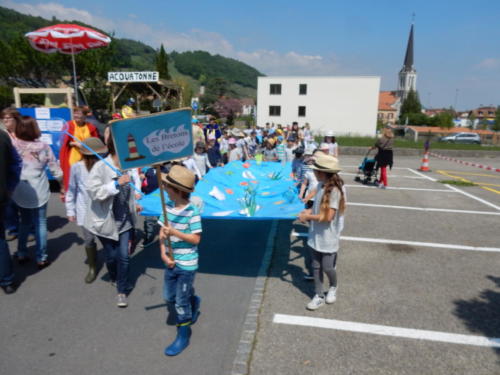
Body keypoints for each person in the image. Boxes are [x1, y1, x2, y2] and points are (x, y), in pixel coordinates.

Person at [84, 135, 141, 308]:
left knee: (124, 256)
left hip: (125, 221)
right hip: (105, 221)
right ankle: (115, 276)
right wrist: (115, 184)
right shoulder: (100, 167)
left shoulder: (128, 166)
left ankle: (121, 291)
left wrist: (136, 201)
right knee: (111, 256)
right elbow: (93, 192)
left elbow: (134, 186)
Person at [158, 165, 202, 356]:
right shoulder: (167, 208)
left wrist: (175, 232)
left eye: (167, 186)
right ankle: (194, 300)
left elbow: (195, 239)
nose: (165, 189)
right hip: (171, 262)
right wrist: (163, 253)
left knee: (180, 304)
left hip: (187, 265)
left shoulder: (192, 212)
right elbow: (161, 233)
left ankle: (183, 337)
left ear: (177, 191)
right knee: (169, 296)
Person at [12, 116, 63, 269]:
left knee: (24, 222)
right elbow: (55, 169)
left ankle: (21, 252)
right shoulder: (44, 146)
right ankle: (41, 257)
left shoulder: (13, 145)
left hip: (20, 188)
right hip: (39, 188)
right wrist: (62, 185)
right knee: (40, 222)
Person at [298, 154, 346, 310]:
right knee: (316, 266)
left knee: (328, 267)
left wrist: (308, 216)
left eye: (316, 171)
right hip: (315, 235)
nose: (314, 173)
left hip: (328, 237)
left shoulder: (335, 191)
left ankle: (333, 286)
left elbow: (329, 217)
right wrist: (307, 212)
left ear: (324, 173)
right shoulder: (320, 186)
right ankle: (318, 295)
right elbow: (317, 207)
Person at [65, 137, 108, 283]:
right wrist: (70, 210)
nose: (101, 156)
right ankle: (92, 267)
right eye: (98, 155)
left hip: (102, 209)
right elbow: (71, 189)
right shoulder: (77, 167)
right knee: (89, 240)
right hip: (84, 210)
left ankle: (111, 264)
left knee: (107, 238)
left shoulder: (105, 166)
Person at [59, 106, 100, 196]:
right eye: (75, 113)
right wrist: (74, 144)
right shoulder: (69, 125)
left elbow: (96, 143)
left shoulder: (91, 127)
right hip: (73, 158)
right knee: (72, 184)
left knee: (86, 185)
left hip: (87, 160)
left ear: (85, 116)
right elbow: (64, 141)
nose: (76, 115)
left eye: (79, 114)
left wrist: (83, 145)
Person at [0, 129, 22, 293]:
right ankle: (6, 280)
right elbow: (16, 163)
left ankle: (7, 278)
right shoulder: (2, 135)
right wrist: (9, 188)